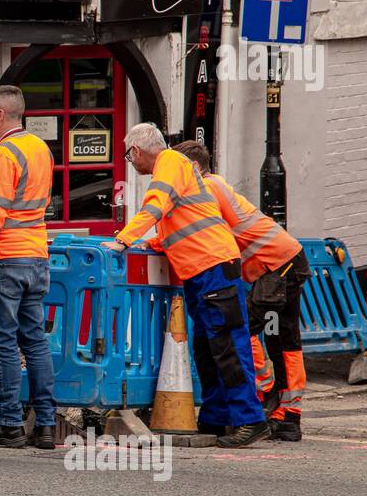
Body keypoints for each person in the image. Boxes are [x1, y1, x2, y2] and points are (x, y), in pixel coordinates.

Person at [102, 123, 266, 447]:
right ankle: (217, 418)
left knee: (229, 348)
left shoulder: (170, 163)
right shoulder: (177, 170)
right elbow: (185, 221)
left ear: (136, 151)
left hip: (213, 268)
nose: (130, 164)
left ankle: (250, 420)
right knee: (208, 349)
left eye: (128, 156)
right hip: (203, 270)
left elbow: (154, 206)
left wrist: (123, 241)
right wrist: (156, 244)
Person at [174, 140, 309, 441]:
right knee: (284, 341)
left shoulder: (206, 188)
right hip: (283, 260)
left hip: (275, 265)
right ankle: (288, 416)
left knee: (240, 329)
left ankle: (261, 399)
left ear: (193, 168)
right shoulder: (215, 185)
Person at [0, 85, 57, 450]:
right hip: (35, 256)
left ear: (0, 115)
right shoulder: (39, 149)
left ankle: (9, 423)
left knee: (2, 342)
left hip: (5, 259)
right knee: (34, 340)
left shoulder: (3, 156)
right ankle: (46, 425)